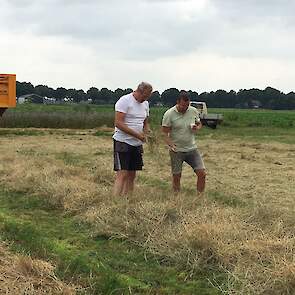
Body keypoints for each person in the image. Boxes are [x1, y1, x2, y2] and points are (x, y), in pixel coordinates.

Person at [162, 91, 206, 194]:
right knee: (177, 176)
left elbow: (199, 124)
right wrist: (170, 144)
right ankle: (176, 197)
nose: (185, 108)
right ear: (178, 102)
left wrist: (197, 127)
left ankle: (200, 197)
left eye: (187, 106)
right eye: (183, 106)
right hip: (177, 150)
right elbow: (164, 133)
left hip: (192, 148)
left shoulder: (193, 111)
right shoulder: (169, 114)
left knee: (202, 173)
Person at [113, 82, 153, 196]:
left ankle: (128, 199)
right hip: (123, 142)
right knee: (122, 173)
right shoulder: (124, 101)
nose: (145, 99)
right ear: (139, 91)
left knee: (132, 174)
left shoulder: (145, 104)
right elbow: (118, 123)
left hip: (137, 144)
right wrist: (137, 135)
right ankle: (115, 202)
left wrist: (147, 131)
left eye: (147, 97)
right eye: (144, 96)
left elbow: (145, 122)